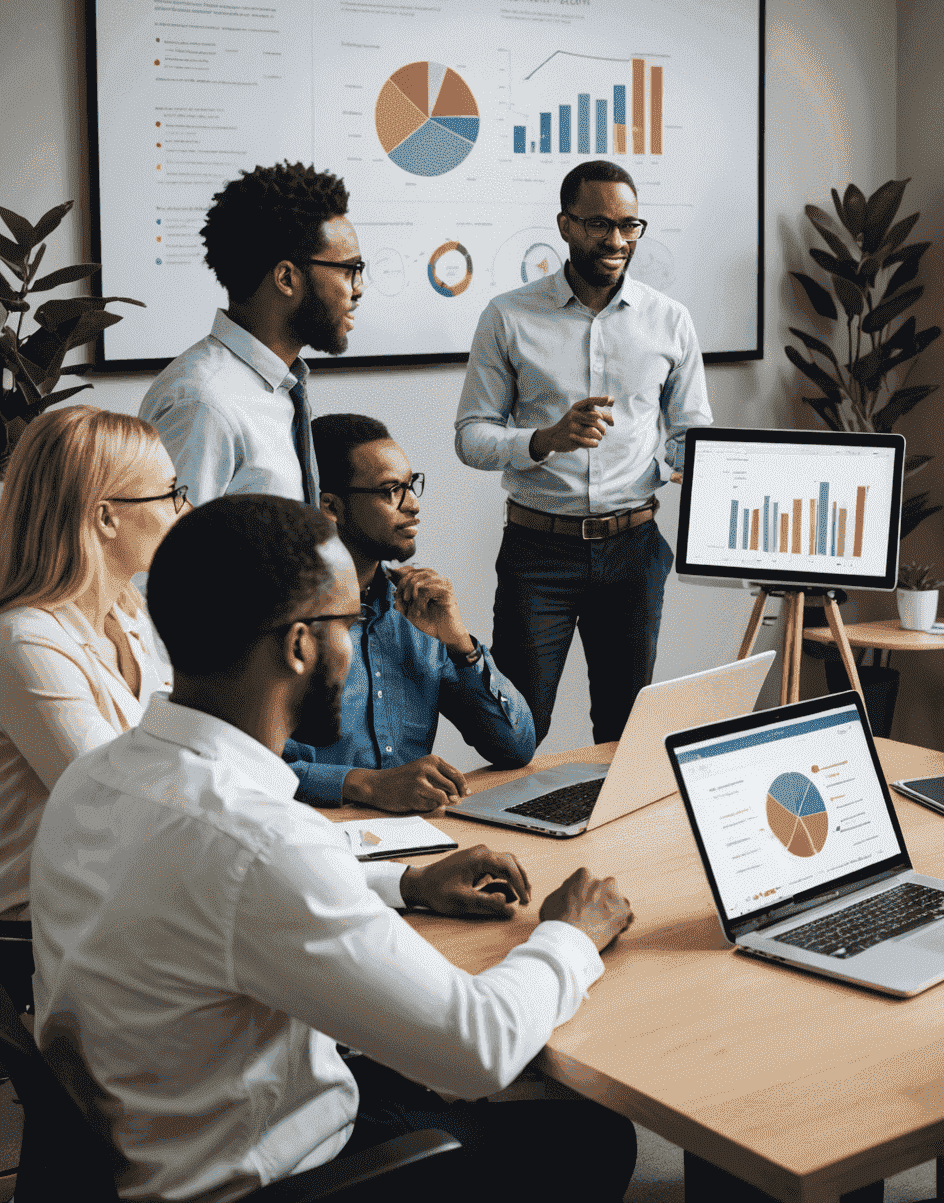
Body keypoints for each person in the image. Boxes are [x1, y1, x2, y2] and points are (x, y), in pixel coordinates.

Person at [30, 495, 637, 1202]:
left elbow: (214, 900)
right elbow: (482, 1049)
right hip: (283, 1178)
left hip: (144, 1145)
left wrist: (404, 885)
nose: (355, 644)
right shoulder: (258, 841)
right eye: (349, 623)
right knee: (594, 1137)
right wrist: (571, 934)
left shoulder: (98, 776)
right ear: (298, 645)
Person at [455, 159, 712, 745]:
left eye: (629, 225)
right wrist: (545, 440)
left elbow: (689, 430)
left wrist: (688, 462)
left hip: (633, 549)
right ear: (565, 226)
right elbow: (471, 436)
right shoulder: (509, 316)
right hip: (537, 552)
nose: (616, 240)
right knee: (513, 733)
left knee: (624, 733)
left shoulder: (670, 321)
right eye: (598, 224)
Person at [284, 413, 536, 810]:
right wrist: (360, 784)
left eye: (411, 485)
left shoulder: (418, 611)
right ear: (332, 506)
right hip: (316, 844)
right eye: (391, 491)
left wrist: (459, 644)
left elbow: (516, 747)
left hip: (422, 839)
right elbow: (244, 770)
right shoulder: (283, 624)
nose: (413, 505)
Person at [0, 407, 185, 926]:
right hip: (43, 938)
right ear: (106, 518)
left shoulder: (130, 615)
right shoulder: (23, 642)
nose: (185, 508)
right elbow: (120, 808)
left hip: (131, 905)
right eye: (170, 494)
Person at [140, 161, 364, 506]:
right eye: (349, 270)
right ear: (287, 278)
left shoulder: (280, 384)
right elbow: (171, 551)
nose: (359, 288)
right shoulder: (204, 404)